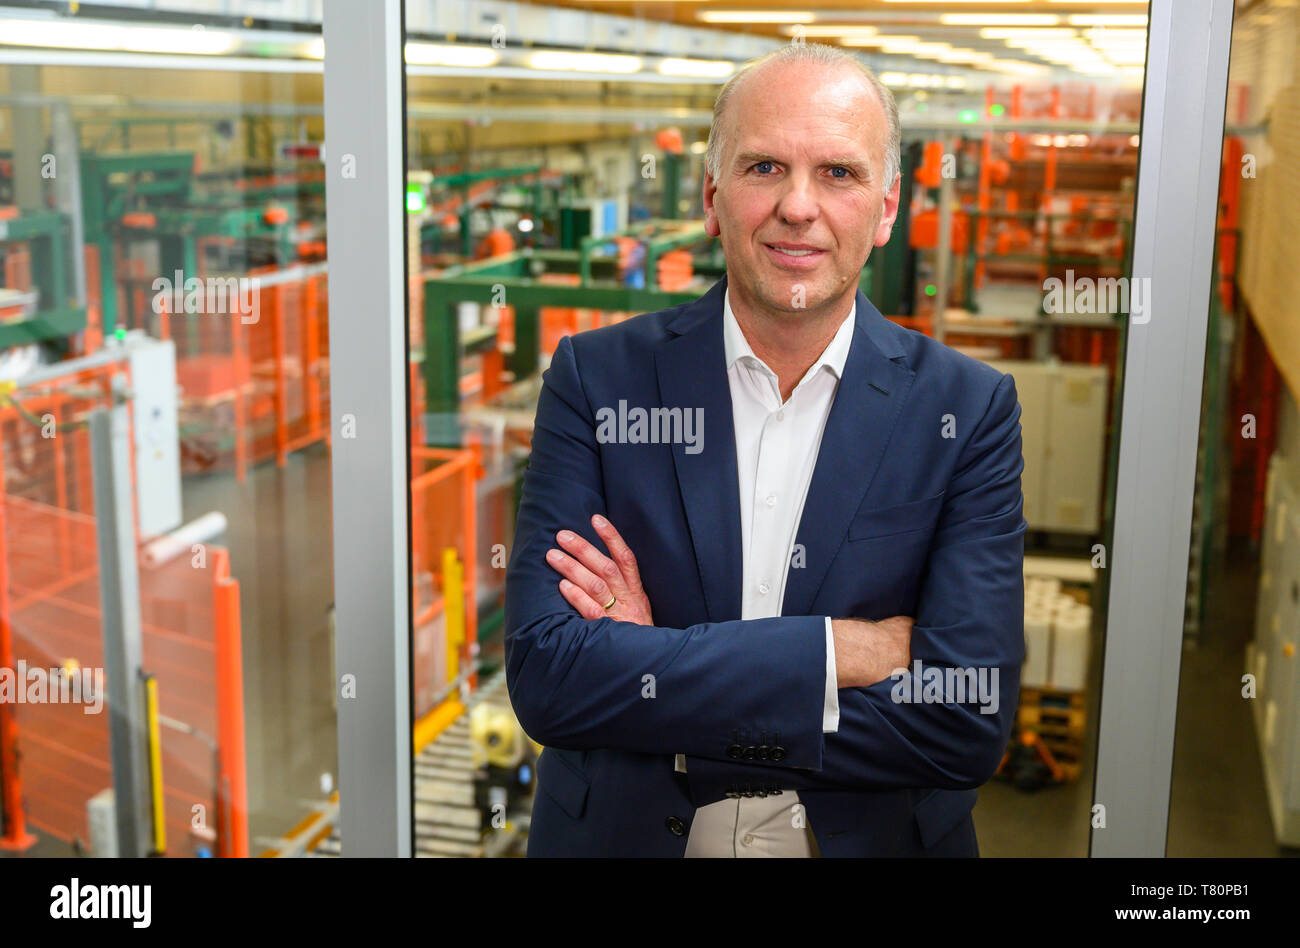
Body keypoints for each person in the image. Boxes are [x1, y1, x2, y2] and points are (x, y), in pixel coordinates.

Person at [504, 42, 1026, 857]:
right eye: (764, 168)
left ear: (887, 209)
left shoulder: (966, 411)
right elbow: (550, 679)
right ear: (713, 198)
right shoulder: (596, 381)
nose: (798, 206)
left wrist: (655, 679)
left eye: (839, 174)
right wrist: (838, 651)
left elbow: (965, 720)